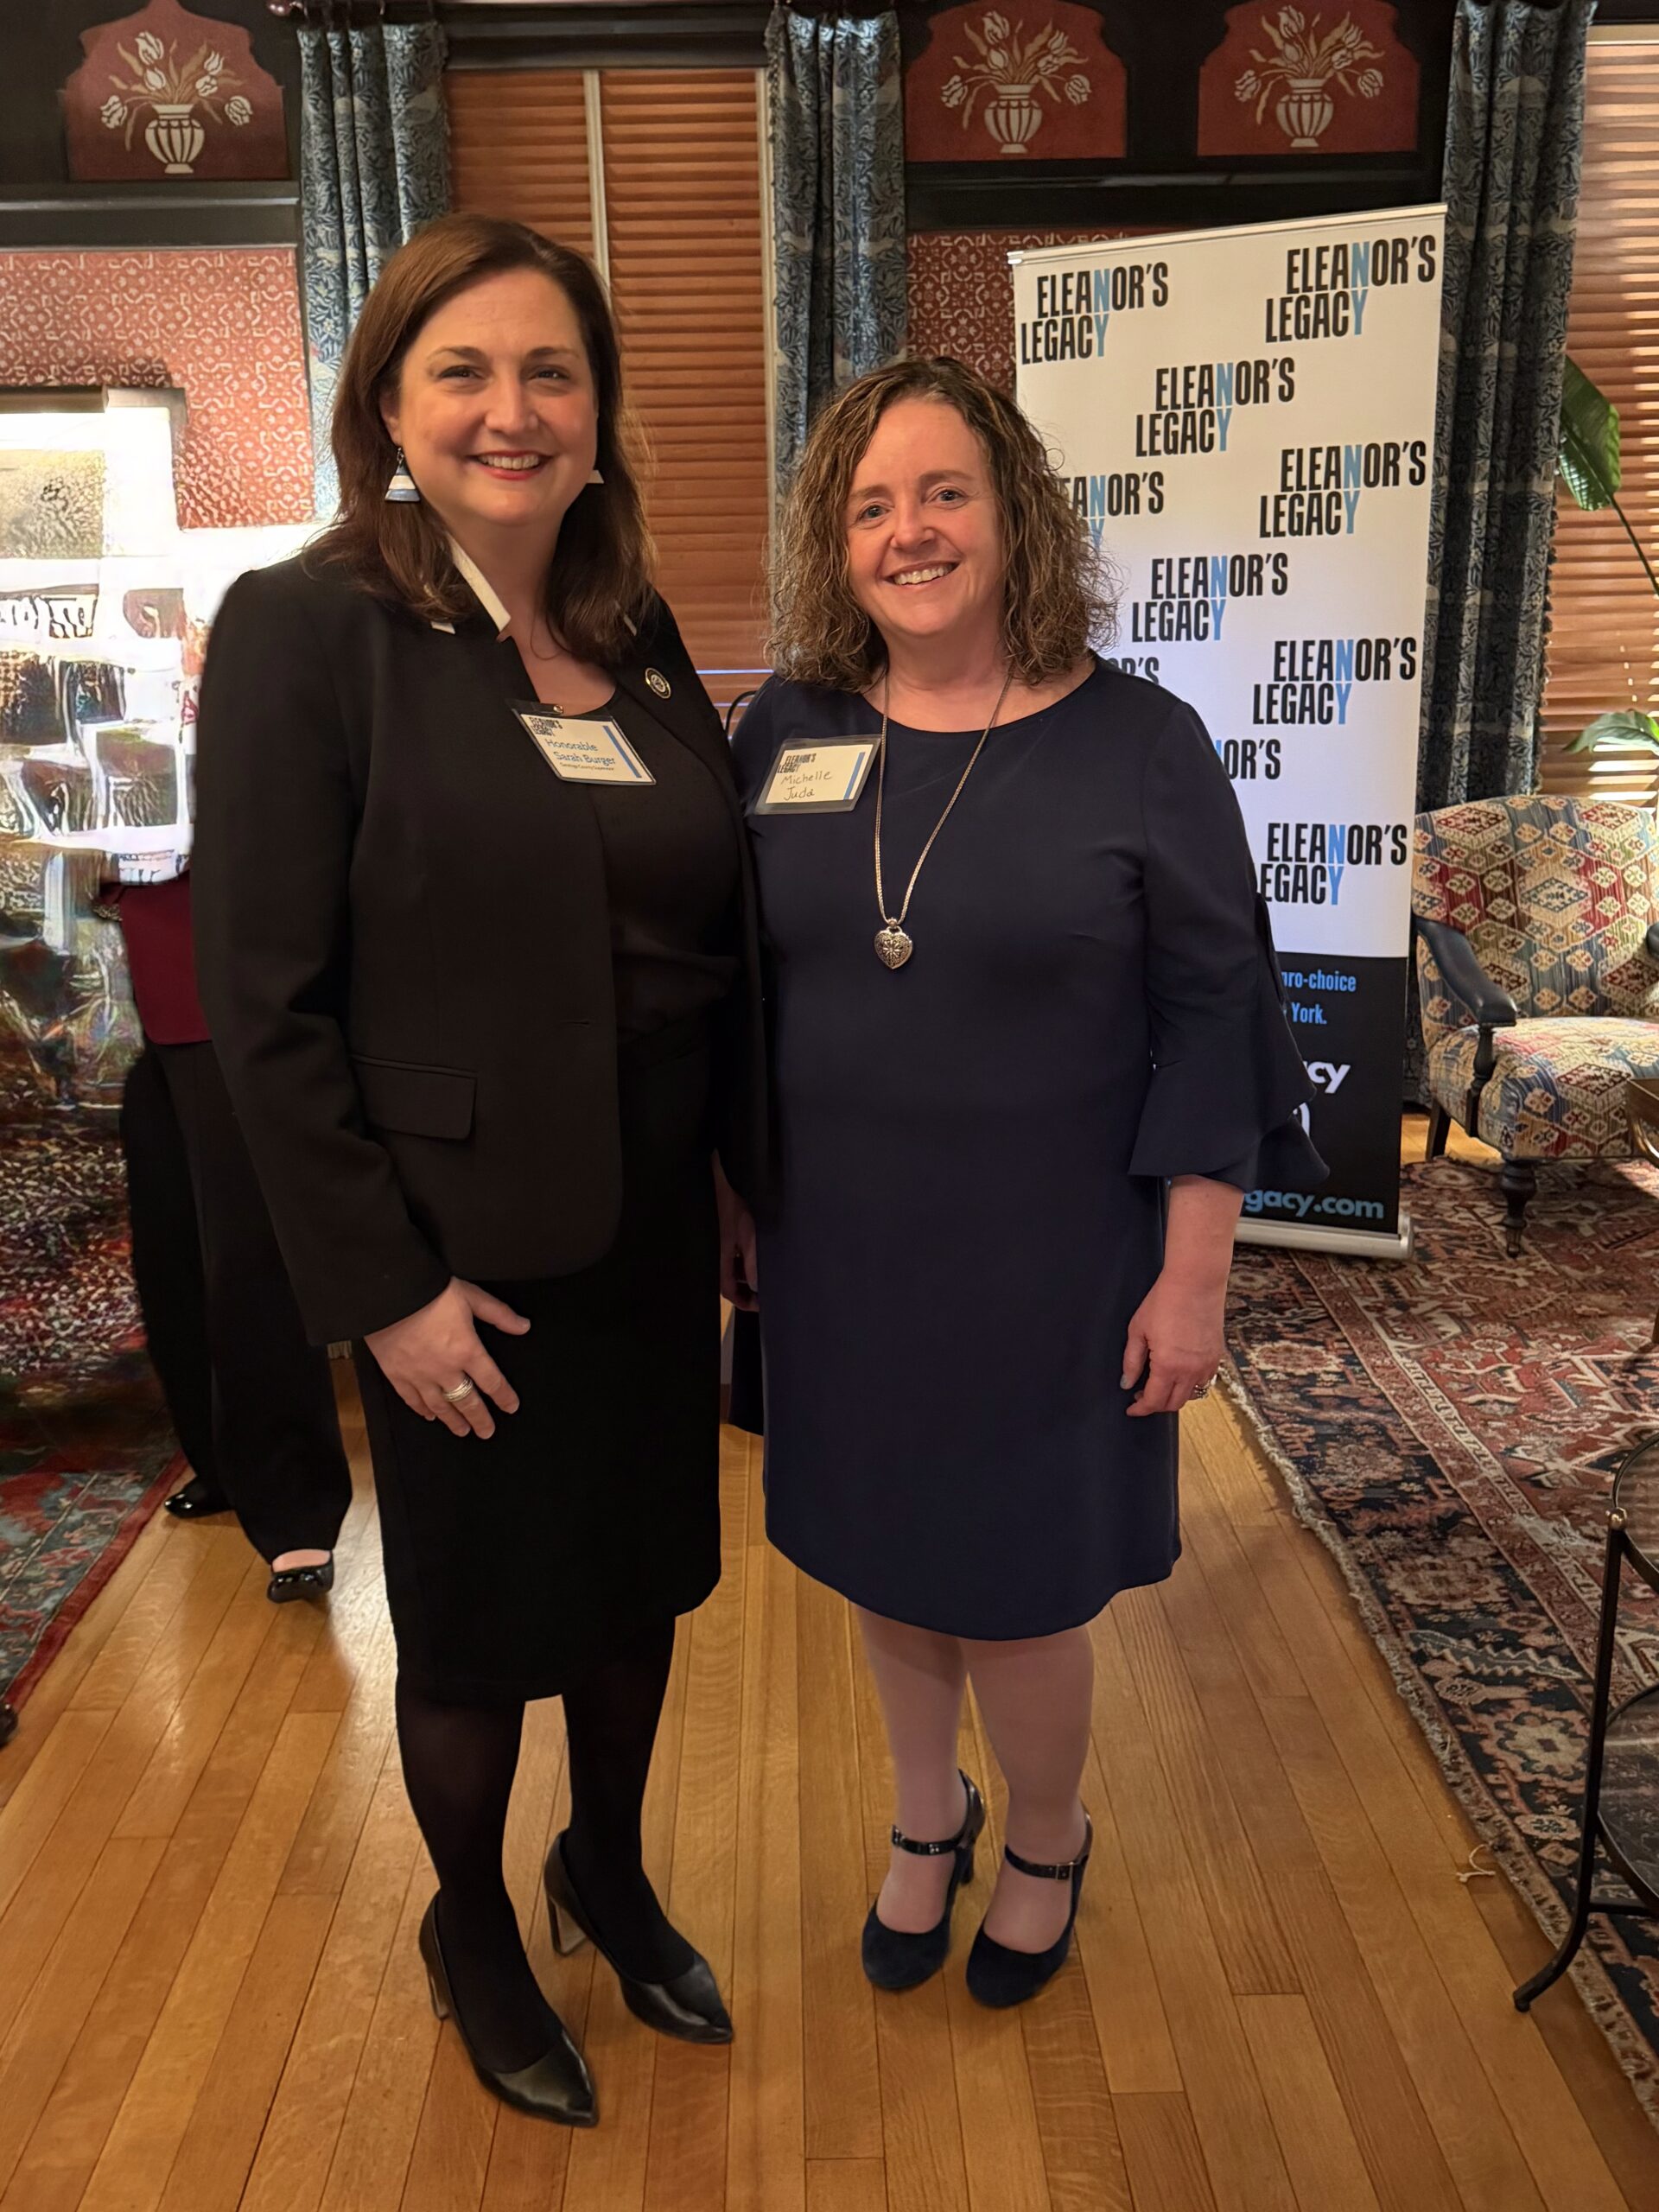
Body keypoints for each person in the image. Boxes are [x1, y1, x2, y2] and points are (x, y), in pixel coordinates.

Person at [192, 215, 765, 2125]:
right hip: (461, 1252)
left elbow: (704, 928)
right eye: (464, 370)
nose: (510, 411)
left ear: (598, 415)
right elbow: (266, 1006)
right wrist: (383, 1290)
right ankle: (473, 1922)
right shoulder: (305, 630)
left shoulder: (631, 626)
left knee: (636, 1585)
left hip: (650, 1219)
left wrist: (744, 1171)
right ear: (388, 404)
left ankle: (604, 1865)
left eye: (551, 373)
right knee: (476, 1626)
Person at [726, 358, 1322, 2011]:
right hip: (840, 1247)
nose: (908, 532)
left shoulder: (1142, 745)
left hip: (1052, 1258)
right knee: (884, 1557)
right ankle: (929, 1817)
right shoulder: (786, 729)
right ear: (835, 542)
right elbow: (737, 990)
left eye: (944, 494)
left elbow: (1218, 1017)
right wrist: (734, 1196)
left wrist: (1194, 1276)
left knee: (1016, 1584)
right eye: (870, 506)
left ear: (1016, 516)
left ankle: (1048, 1836)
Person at [115, 872, 352, 1601]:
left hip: (221, 978)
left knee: (248, 1260)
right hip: (114, 987)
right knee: (169, 1257)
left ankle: (295, 1505)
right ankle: (221, 1464)